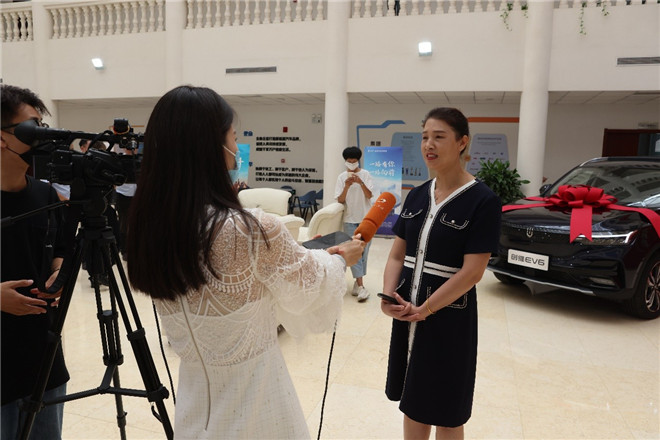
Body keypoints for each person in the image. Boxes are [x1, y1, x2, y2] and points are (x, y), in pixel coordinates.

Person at [125, 85, 365, 439]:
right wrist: (341, 259)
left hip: (194, 407)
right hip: (258, 404)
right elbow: (308, 284)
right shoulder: (250, 229)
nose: (236, 148)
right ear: (212, 145)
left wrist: (319, 257)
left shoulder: (148, 228)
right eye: (234, 137)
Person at [379, 107, 501, 440]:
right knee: (412, 403)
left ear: (462, 142)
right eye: (424, 137)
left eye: (439, 137)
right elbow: (396, 255)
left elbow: (473, 272)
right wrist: (388, 297)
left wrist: (427, 309)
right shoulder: (417, 195)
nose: (428, 145)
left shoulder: (483, 201)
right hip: (407, 313)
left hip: (449, 319)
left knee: (447, 413)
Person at [1, 84, 70, 439]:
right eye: (32, 128)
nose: (42, 137)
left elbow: (61, 247)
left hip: (44, 355)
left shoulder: (45, 194)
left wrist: (58, 273)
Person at [334, 146, 374, 302]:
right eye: (349, 161)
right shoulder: (341, 177)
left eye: (354, 161)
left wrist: (361, 183)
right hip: (349, 219)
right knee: (354, 251)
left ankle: (358, 283)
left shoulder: (366, 174)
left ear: (358, 161)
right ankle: (361, 286)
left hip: (366, 219)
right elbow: (340, 200)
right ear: (345, 161)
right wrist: (347, 186)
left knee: (364, 252)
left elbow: (369, 195)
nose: (352, 164)